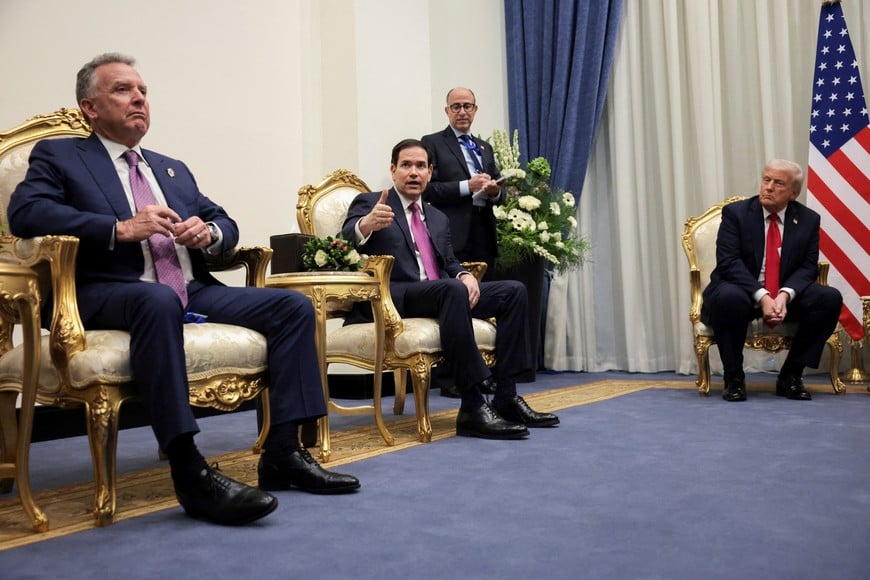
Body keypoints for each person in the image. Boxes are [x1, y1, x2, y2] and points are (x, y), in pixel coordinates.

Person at [8, 53, 360, 526]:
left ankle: (283, 454)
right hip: (107, 291)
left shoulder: (170, 168)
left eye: (143, 91)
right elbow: (27, 215)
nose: (139, 98)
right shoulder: (61, 156)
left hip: (190, 288)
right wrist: (118, 228)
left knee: (291, 306)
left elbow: (224, 220)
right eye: (122, 90)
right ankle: (189, 470)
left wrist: (210, 233)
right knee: (157, 299)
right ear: (90, 108)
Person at [340, 138, 559, 439]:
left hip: (439, 293)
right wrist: (366, 225)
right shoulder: (373, 202)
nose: (413, 172)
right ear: (393, 170)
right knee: (451, 291)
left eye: (420, 166)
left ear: (430, 172)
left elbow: (450, 263)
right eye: (406, 165)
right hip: (395, 295)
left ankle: (506, 396)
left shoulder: (437, 216)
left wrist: (465, 275)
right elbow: (344, 239)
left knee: (513, 291)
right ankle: (471, 406)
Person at [701, 159, 842, 402]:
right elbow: (729, 262)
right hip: (741, 287)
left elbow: (808, 267)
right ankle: (733, 378)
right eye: (766, 179)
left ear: (793, 193)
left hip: (783, 291)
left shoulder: (808, 220)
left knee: (828, 298)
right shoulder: (736, 214)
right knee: (728, 298)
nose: (768, 187)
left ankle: (791, 376)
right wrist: (763, 296)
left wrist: (785, 294)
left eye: (778, 183)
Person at [421, 87, 503, 397]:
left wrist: (496, 191)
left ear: (476, 109)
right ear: (446, 111)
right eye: (456, 106)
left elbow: (496, 187)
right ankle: (450, 378)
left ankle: (480, 373)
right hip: (451, 234)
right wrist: (466, 186)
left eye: (467, 106)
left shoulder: (484, 147)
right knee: (454, 300)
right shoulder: (432, 144)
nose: (462, 111)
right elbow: (428, 190)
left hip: (483, 230)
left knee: (480, 302)